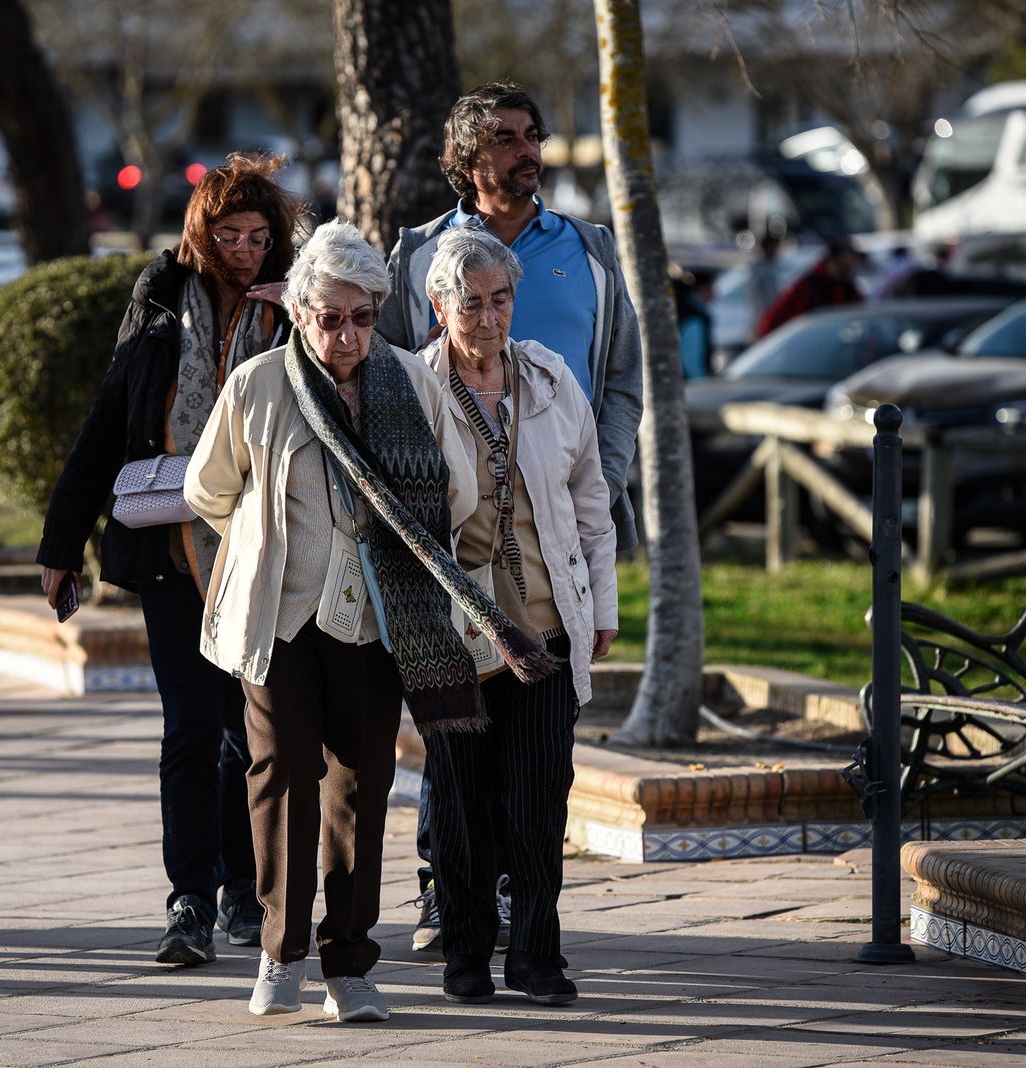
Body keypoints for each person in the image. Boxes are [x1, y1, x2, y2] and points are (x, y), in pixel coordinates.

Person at [184, 220, 485, 1022]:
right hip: (279, 617)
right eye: (328, 316)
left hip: (378, 622)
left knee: (361, 784)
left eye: (360, 316)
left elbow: (455, 496)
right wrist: (263, 533)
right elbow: (207, 490)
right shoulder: (257, 384)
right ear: (298, 311)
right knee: (283, 772)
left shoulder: (412, 386)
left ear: (378, 311)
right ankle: (281, 955)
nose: (345, 333)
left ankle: (348, 965)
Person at [377, 80, 642, 954]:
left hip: (558, 524)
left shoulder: (591, 250)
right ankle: (440, 893)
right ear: (466, 157)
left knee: (535, 735)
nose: (525, 150)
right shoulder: (421, 254)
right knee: (456, 724)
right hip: (453, 534)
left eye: (531, 134)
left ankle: (515, 904)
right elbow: (395, 380)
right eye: (503, 137)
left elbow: (623, 382)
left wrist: (596, 479)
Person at [37, 153, 303, 968]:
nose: (247, 250)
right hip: (171, 552)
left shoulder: (298, 302)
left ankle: (246, 896)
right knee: (190, 728)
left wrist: (292, 318)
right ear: (202, 233)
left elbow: (347, 398)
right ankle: (188, 899)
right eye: (231, 236)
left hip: (265, 556)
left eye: (260, 236)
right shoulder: (159, 300)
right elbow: (110, 416)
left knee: (245, 733)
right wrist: (62, 543)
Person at [417, 226, 617, 1006]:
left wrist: (601, 605)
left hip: (546, 626)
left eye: (501, 299)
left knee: (539, 801)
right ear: (440, 306)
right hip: (457, 635)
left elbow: (590, 500)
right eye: (470, 303)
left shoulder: (551, 376)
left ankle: (537, 955)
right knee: (460, 805)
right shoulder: (415, 385)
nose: (490, 318)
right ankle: (464, 954)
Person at [755, 237, 862, 338]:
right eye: (843, 267)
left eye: (851, 267)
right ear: (830, 262)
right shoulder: (808, 287)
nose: (847, 272)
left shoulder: (850, 289)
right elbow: (772, 321)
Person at [671, 264, 716, 380]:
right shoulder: (694, 318)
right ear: (701, 289)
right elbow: (691, 361)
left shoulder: (684, 309)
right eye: (712, 287)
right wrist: (702, 384)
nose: (715, 293)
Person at [746, 229, 785, 326]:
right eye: (773, 247)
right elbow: (757, 299)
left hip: (777, 316)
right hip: (766, 318)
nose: (776, 250)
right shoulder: (759, 271)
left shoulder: (780, 267)